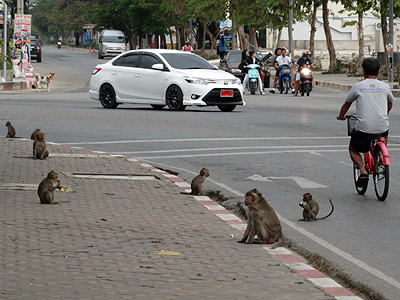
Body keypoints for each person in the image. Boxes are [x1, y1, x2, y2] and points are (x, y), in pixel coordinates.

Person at [336, 58, 394, 188]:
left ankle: (363, 170)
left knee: (353, 148)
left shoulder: (358, 86)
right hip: (382, 126)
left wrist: (341, 116)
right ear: (379, 72)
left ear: (363, 72)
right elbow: (390, 102)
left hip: (364, 129)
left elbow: (346, 104)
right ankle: (379, 155)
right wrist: (386, 113)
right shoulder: (385, 86)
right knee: (383, 135)